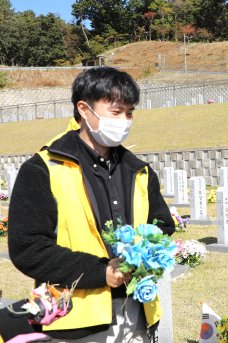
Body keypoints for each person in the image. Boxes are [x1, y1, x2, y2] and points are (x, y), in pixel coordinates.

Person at [8, 67, 175, 342]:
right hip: (74, 318)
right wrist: (101, 272)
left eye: (130, 112)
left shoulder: (139, 170)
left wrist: (146, 257)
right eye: (116, 112)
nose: (125, 120)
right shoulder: (44, 168)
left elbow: (163, 226)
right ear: (84, 109)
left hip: (138, 312)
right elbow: (29, 248)